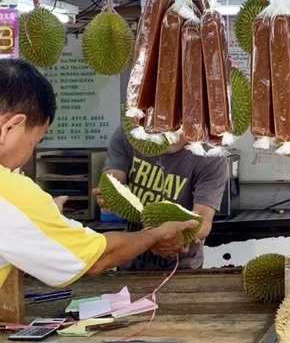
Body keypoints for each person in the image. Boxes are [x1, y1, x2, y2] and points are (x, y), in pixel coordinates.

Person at [0, 59, 195, 290]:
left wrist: (44, 219)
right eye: (36, 141)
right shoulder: (12, 193)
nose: (30, 152)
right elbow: (98, 259)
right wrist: (156, 234)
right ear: (10, 127)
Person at [98, 124, 228, 271]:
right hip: (130, 255)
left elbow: (203, 220)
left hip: (181, 266)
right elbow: (114, 178)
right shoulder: (130, 134)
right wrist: (108, 194)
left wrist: (179, 237)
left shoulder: (210, 155)